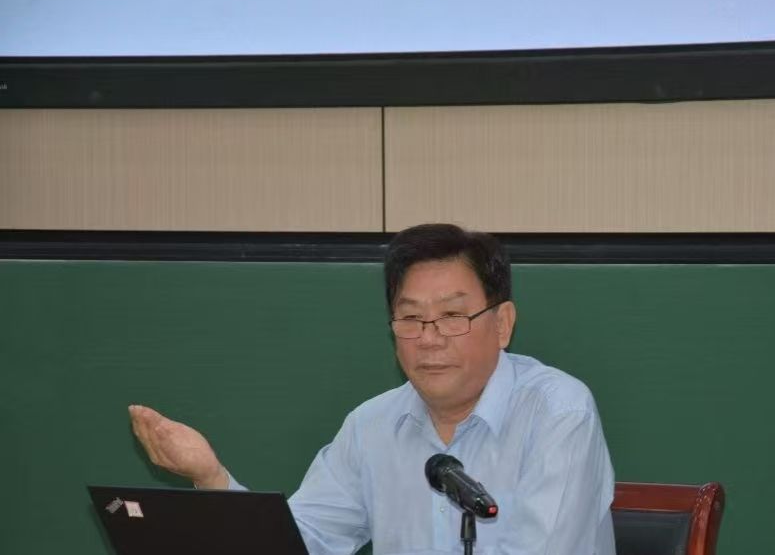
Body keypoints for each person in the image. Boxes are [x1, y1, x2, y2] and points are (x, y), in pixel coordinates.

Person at [129, 223, 616, 554]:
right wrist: (213, 478)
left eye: (452, 316)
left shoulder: (558, 413)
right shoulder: (372, 426)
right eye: (411, 318)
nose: (429, 338)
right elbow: (302, 544)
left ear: (503, 324)